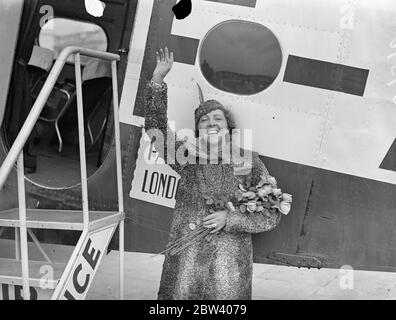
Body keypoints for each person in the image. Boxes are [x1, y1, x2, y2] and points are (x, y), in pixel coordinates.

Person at [144, 47, 282, 300]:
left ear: (229, 128)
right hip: (185, 264)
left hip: (227, 272)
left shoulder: (248, 161)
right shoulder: (186, 157)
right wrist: (157, 81)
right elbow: (155, 128)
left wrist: (229, 219)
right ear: (197, 130)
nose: (211, 124)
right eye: (204, 121)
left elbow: (271, 212)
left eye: (217, 119)